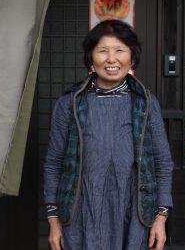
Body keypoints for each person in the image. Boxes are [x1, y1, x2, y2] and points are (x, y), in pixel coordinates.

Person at [43, 19, 174, 250]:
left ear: (131, 58)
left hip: (134, 213)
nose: (111, 59)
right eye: (103, 51)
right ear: (91, 59)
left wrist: (161, 218)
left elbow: (162, 163)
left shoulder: (145, 103)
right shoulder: (70, 103)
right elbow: (54, 164)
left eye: (120, 51)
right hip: (81, 212)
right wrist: (54, 221)